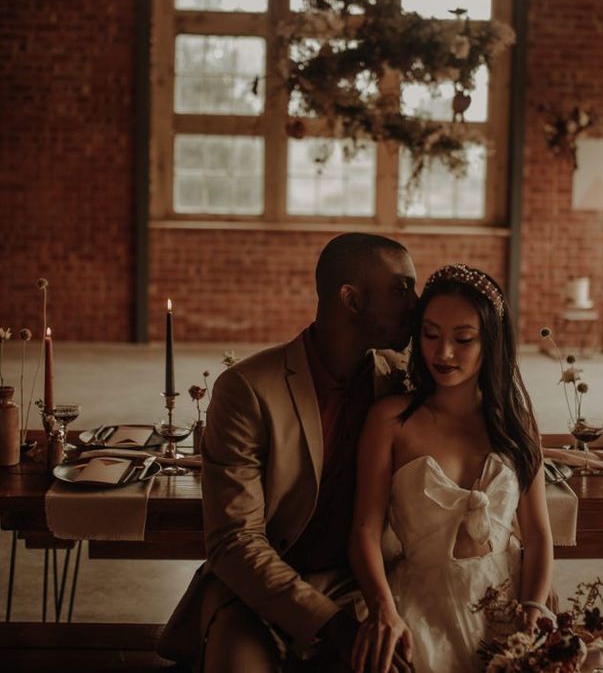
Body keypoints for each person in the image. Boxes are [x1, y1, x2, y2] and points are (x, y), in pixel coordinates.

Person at [157, 233, 418, 672]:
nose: (416, 303)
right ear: (351, 300)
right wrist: (331, 625)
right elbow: (234, 541)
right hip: (254, 591)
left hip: (363, 589)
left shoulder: (404, 380)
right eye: (402, 288)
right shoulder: (247, 388)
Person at [349, 263, 553, 673]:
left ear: (490, 342)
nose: (442, 353)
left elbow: (538, 532)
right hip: (422, 609)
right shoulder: (390, 420)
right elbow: (364, 531)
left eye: (463, 339)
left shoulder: (516, 423)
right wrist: (383, 608)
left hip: (508, 604)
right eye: (430, 335)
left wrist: (533, 606)